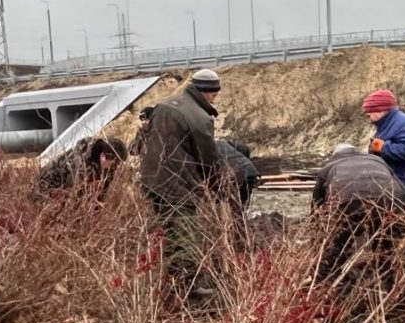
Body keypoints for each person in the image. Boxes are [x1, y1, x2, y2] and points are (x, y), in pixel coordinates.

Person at [138, 69, 223, 297]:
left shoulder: (164, 105)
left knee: (167, 231)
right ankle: (189, 287)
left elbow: (141, 143)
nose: (214, 99)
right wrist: (217, 188)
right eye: (214, 95)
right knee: (188, 233)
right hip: (177, 184)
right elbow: (209, 159)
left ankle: (169, 283)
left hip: (150, 180)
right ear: (207, 92)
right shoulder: (200, 117)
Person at [312, 143, 405, 284]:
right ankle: (392, 284)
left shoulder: (329, 165)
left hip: (348, 202)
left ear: (335, 155)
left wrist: (317, 228)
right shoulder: (376, 160)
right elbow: (403, 189)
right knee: (386, 247)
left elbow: (317, 202)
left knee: (338, 246)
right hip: (389, 201)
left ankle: (327, 282)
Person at [362, 89, 405, 204]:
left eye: (369, 113)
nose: (367, 116)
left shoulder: (403, 123)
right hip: (399, 187)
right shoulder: (389, 123)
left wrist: (383, 148)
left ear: (381, 110)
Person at [38, 137, 127, 203]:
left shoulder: (107, 167)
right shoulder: (80, 160)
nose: (115, 168)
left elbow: (101, 196)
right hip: (44, 189)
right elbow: (76, 194)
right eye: (114, 165)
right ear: (103, 157)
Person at [216, 139, 259, 210]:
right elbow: (244, 149)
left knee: (233, 206)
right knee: (242, 206)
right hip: (250, 171)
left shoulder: (209, 148)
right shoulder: (224, 143)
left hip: (235, 175)